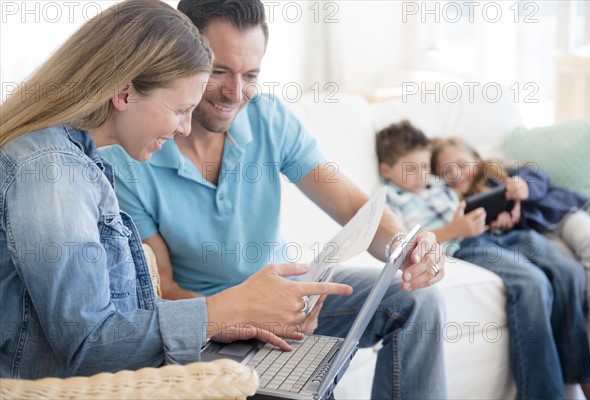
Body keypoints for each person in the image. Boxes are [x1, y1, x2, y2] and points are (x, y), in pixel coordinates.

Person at [100, 1, 448, 398]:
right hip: (214, 319)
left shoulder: (269, 118)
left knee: (419, 302)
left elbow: (355, 208)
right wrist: (245, 315)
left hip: (291, 298)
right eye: (218, 71)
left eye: (250, 75)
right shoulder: (135, 151)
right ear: (183, 56)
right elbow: (165, 289)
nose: (235, 93)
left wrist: (406, 249)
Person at [0, 0, 354, 380]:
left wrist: (216, 325)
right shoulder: (53, 173)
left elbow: (117, 316)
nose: (185, 129)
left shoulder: (82, 160)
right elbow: (89, 346)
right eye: (180, 110)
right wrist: (223, 311)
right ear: (125, 93)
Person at [376, 120, 590, 399]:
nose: (423, 175)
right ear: (386, 170)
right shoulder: (390, 200)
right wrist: (455, 230)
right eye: (413, 169)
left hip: (493, 234)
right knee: (532, 281)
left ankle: (579, 377)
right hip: (463, 245)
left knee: (569, 270)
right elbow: (405, 241)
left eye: (425, 168)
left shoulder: (438, 184)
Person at [431, 136, 590, 397]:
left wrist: (522, 188)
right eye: (447, 170)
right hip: (505, 238)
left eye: (462, 164)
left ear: (476, 156)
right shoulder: (458, 199)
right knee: (541, 279)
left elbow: (537, 178)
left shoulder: (500, 170)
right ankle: (581, 380)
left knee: (573, 270)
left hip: (551, 219)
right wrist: (504, 222)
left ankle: (579, 375)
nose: (456, 173)